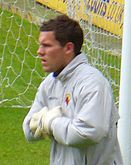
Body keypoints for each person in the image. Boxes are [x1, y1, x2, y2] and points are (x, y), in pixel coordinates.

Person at [23, 14, 123, 165]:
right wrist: (44, 122)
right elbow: (29, 129)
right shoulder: (49, 84)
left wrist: (50, 123)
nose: (39, 51)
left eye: (47, 45)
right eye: (40, 45)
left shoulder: (92, 83)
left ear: (68, 48)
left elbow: (89, 132)